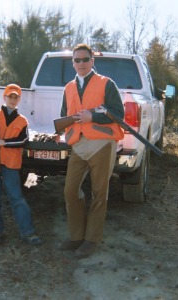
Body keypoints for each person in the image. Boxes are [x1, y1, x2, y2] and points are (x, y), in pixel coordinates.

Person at [58, 43, 124, 258]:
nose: (81, 63)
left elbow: (118, 114)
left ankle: (91, 240)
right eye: (77, 60)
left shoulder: (107, 83)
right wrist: (65, 135)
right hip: (78, 145)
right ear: (73, 62)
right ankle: (76, 236)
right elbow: (64, 114)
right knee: (70, 190)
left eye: (85, 59)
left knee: (99, 193)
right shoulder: (69, 87)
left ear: (92, 61)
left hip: (102, 144)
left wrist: (93, 116)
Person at [0, 84, 42, 246]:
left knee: (16, 197)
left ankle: (27, 232)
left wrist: (4, 142)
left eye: (16, 97)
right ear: (4, 98)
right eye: (10, 97)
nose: (13, 100)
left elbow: (23, 140)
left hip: (11, 163)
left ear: (19, 99)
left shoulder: (22, 120)